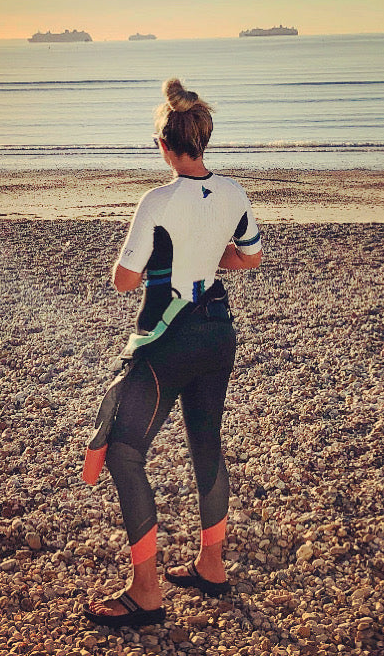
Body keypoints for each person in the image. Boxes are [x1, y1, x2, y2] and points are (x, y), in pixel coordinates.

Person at [82, 78, 262, 628]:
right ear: (202, 139)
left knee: (123, 451)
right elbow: (249, 258)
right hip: (218, 331)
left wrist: (163, 263)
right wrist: (205, 260)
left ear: (164, 144)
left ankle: (145, 593)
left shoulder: (156, 201)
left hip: (170, 339)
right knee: (206, 442)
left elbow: (123, 280)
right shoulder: (232, 191)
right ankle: (211, 566)